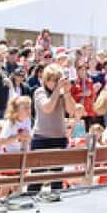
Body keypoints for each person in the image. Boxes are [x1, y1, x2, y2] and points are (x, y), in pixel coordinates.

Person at [31, 64, 79, 192]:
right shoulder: (40, 92)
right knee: (36, 178)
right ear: (45, 80)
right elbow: (47, 108)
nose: (55, 83)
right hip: (41, 139)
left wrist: (67, 93)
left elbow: (72, 111)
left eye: (57, 79)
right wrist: (58, 90)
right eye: (52, 79)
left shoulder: (62, 93)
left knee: (57, 179)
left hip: (59, 138)